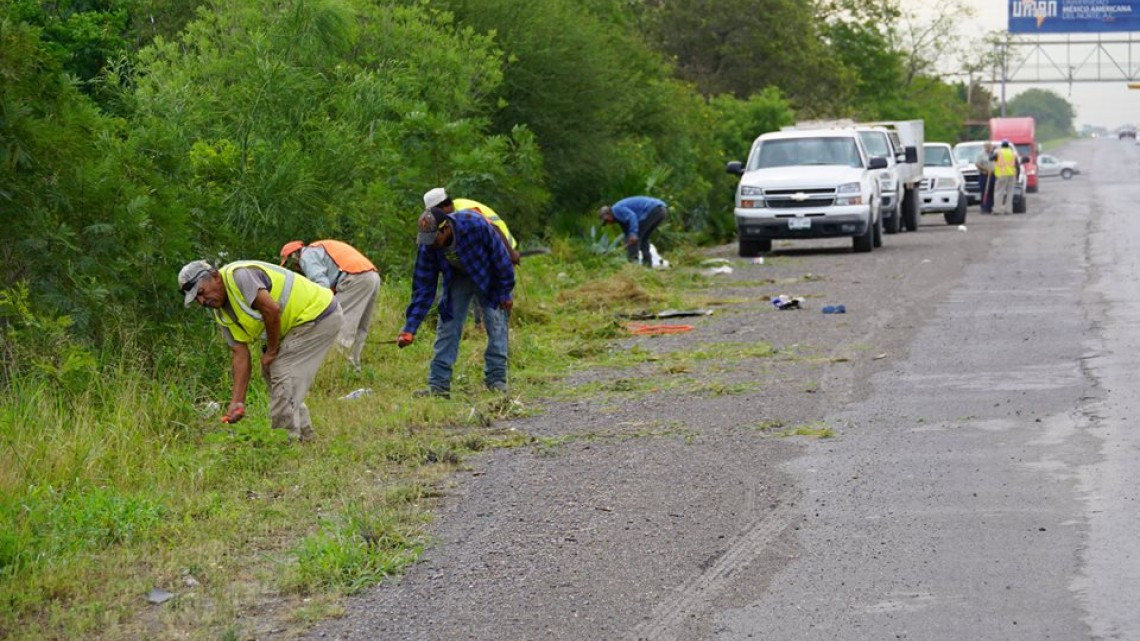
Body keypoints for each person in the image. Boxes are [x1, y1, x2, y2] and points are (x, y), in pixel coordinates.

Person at [178, 259, 343, 441]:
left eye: (201, 292)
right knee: (273, 373)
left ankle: (284, 441)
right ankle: (305, 435)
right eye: (197, 299)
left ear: (215, 277)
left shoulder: (239, 276)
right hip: (298, 324)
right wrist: (237, 401)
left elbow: (272, 309)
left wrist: (271, 351)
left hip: (319, 313)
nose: (202, 302)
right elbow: (240, 354)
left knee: (281, 371)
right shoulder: (222, 314)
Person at [396, 207, 515, 398]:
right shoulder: (428, 246)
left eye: (435, 238)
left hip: (489, 275)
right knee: (447, 327)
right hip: (457, 279)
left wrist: (505, 292)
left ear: (446, 229)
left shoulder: (474, 225)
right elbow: (423, 287)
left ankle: (497, 381)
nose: (431, 244)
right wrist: (409, 328)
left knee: (496, 324)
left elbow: (500, 257)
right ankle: (438, 386)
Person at [279, 240, 380, 371]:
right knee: (360, 327)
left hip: (354, 278)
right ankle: (354, 367)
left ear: (294, 256)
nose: (294, 268)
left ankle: (336, 368)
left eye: (289, 264)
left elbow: (322, 284)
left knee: (339, 323)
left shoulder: (306, 256)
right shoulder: (318, 248)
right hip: (371, 276)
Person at [423, 188, 521, 265]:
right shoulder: (447, 216)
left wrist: (511, 254)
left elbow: (493, 228)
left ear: (443, 206)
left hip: (500, 243)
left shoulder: (467, 211)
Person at [598, 196, 668, 266]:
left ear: (608, 215)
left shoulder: (616, 210)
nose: (609, 223)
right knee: (643, 239)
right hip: (661, 211)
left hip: (653, 210)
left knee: (635, 237)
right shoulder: (619, 217)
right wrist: (627, 241)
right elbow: (627, 231)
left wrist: (633, 234)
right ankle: (647, 264)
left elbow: (632, 216)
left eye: (607, 221)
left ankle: (633, 264)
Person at [993, 140, 1018, 215]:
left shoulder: (998, 152)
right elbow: (1016, 164)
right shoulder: (1013, 153)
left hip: (1002, 174)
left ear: (1002, 146)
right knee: (1010, 192)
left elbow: (991, 158)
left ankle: (997, 210)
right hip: (1012, 174)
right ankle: (1008, 210)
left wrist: (994, 151)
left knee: (999, 192)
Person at [976, 142, 996, 214]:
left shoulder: (994, 154)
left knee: (991, 191)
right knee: (984, 191)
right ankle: (983, 207)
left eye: (989, 146)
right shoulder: (981, 154)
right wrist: (985, 170)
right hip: (984, 175)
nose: (988, 148)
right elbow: (978, 164)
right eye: (987, 146)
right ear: (984, 147)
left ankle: (990, 207)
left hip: (993, 175)